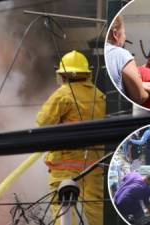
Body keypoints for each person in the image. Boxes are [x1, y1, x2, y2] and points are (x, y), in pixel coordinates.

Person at [36, 50, 105, 225]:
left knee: (64, 213)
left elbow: (42, 124)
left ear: (63, 75)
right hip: (94, 166)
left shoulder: (62, 94)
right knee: (96, 212)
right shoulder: (100, 95)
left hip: (64, 167)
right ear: (87, 73)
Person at [105, 16, 150, 109]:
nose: (125, 38)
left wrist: (139, 84)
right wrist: (137, 86)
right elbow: (140, 97)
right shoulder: (120, 54)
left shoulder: (142, 72)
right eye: (124, 33)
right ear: (115, 34)